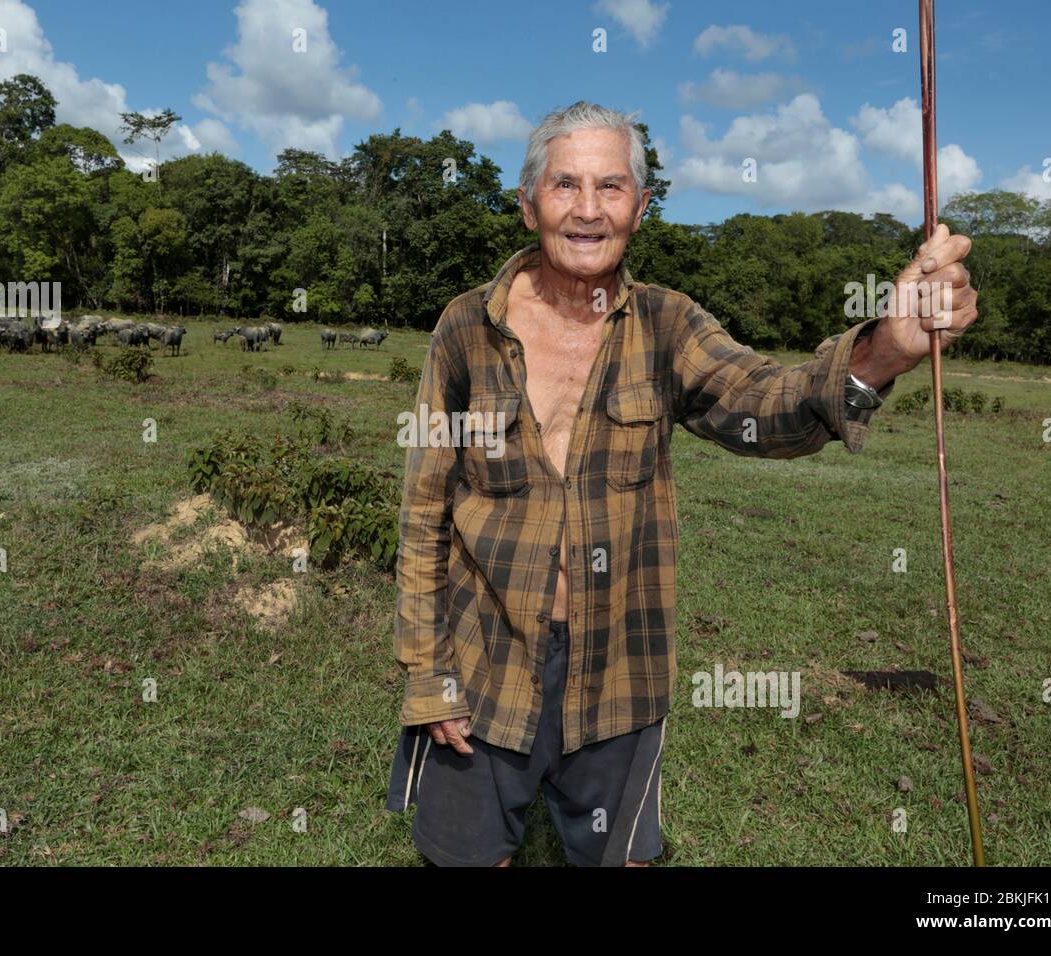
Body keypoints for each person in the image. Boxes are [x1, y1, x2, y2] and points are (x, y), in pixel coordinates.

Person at [385, 100, 978, 867]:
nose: (589, 210)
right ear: (529, 204)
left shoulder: (668, 325)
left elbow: (770, 406)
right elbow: (425, 505)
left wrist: (885, 351)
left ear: (641, 204)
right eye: (566, 186)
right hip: (483, 653)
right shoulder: (466, 328)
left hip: (619, 664)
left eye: (612, 186)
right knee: (466, 858)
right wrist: (427, 671)